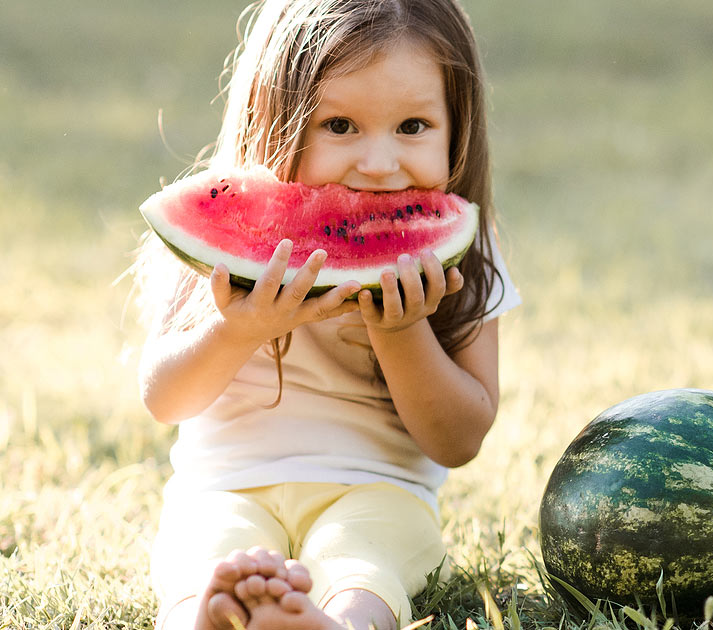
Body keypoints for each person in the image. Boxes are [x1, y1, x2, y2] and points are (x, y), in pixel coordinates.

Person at [132, 0, 519, 628]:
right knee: (207, 549)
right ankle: (203, 616)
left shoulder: (464, 251)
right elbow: (164, 399)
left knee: (366, 558)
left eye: (413, 126)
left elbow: (460, 438)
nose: (378, 162)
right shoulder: (232, 234)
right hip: (226, 486)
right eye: (340, 127)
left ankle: (340, 624)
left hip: (378, 491)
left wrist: (400, 333)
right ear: (276, 120)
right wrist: (236, 331)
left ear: (459, 127)